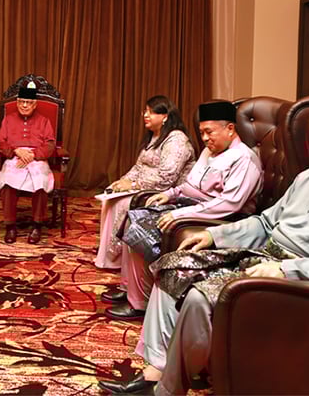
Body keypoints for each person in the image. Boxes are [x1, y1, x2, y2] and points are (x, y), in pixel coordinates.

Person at [99, 82, 309, 396]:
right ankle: (156, 369)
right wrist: (213, 234)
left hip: (302, 285)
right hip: (264, 259)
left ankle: (166, 390)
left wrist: (288, 270)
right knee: (171, 268)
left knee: (199, 297)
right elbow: (265, 222)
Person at [104, 101, 263, 322]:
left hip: (221, 218)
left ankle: (140, 302)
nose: (204, 138)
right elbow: (190, 184)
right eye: (201, 132)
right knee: (134, 217)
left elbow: (229, 204)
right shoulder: (210, 150)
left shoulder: (244, 159)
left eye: (209, 132)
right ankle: (131, 288)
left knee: (143, 227)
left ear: (230, 129)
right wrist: (170, 194)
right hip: (191, 205)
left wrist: (180, 214)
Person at [95, 96, 195, 270]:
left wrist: (133, 186)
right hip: (145, 187)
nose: (145, 115)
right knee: (110, 199)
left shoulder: (176, 139)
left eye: (151, 112)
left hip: (167, 193)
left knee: (123, 203)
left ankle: (118, 257)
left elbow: (167, 178)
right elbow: (138, 167)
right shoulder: (154, 137)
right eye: (145, 111)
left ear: (165, 116)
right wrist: (122, 182)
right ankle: (110, 257)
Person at [0, 81, 56, 245]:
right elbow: (0, 141)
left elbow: (50, 144)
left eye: (28, 102)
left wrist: (33, 155)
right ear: (17, 103)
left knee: (41, 182)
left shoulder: (44, 121)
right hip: (14, 156)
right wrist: (16, 151)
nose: (24, 105)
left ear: (34, 104)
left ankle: (37, 225)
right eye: (21, 102)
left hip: (37, 158)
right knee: (7, 181)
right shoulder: (8, 119)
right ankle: (10, 226)